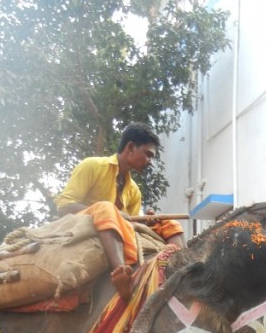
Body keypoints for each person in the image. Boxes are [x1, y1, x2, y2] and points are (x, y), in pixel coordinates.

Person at [54, 122, 185, 299]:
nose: (150, 162)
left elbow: (131, 223)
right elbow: (64, 205)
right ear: (130, 147)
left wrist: (147, 222)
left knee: (167, 222)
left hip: (117, 226)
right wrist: (108, 212)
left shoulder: (134, 190)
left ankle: (183, 271)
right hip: (85, 225)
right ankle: (122, 274)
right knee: (106, 208)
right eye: (147, 154)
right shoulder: (92, 165)